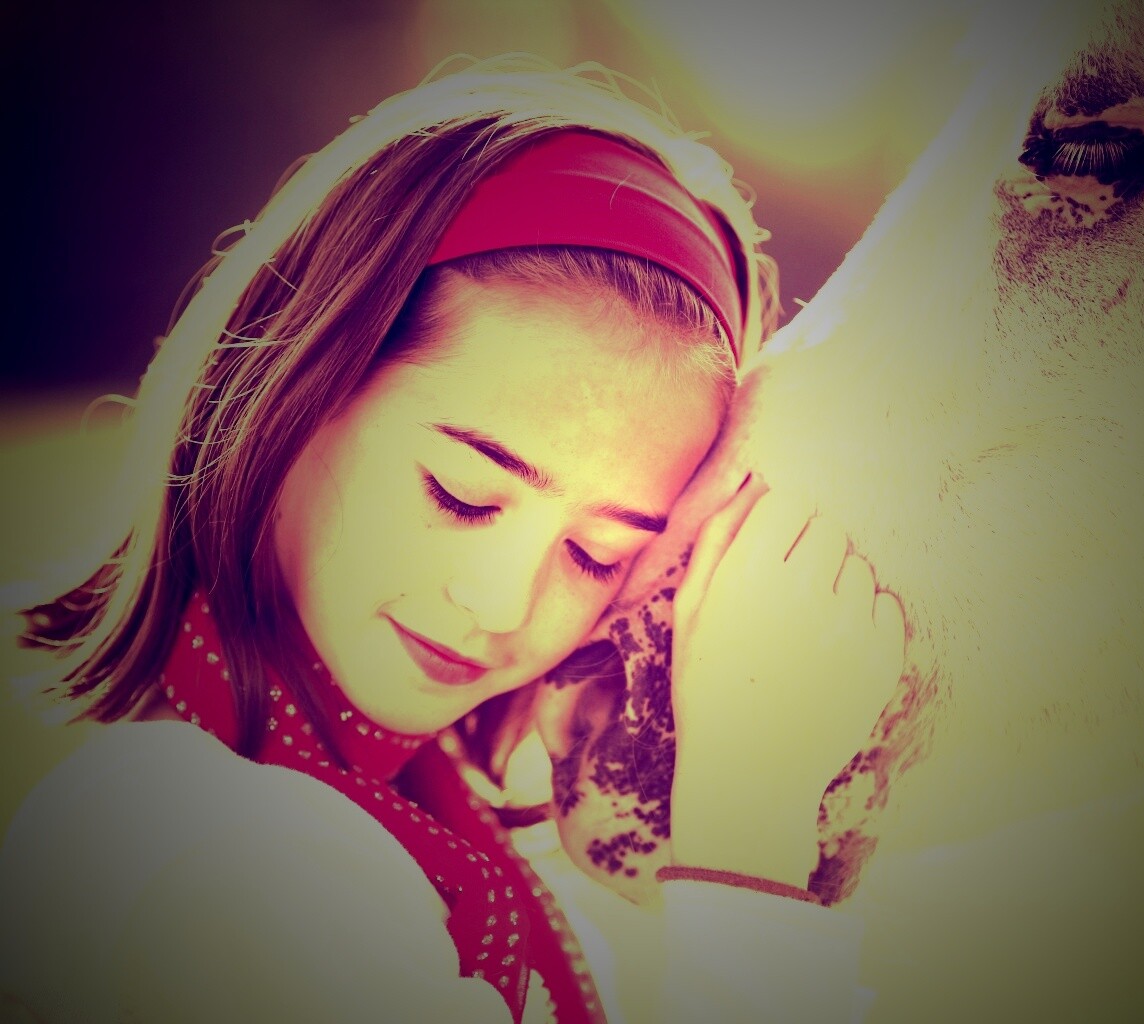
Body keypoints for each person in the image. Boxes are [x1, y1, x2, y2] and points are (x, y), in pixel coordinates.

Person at [1, 54, 899, 1022]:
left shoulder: (442, 814)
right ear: (299, 385)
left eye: (596, 555)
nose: (502, 605)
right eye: (463, 495)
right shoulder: (191, 854)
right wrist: (749, 830)